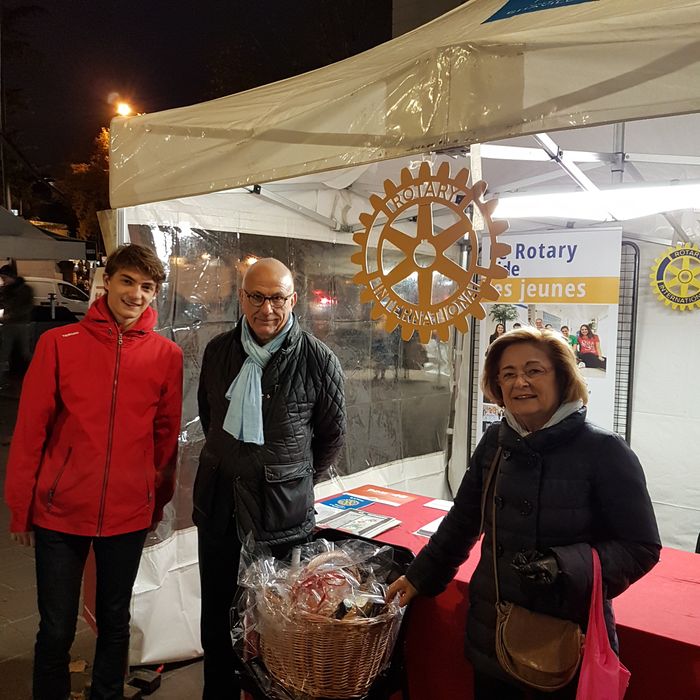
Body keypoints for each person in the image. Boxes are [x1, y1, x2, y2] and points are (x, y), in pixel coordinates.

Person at [388, 327, 660, 699]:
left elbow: (641, 547)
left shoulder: (604, 451)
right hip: (493, 634)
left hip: (563, 641)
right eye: (508, 374)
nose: (521, 382)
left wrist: (565, 565)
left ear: (562, 377)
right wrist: (419, 577)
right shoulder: (495, 442)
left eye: (534, 371)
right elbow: (464, 520)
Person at [4, 244, 183, 700]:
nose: (136, 294)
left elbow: (165, 438)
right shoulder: (58, 344)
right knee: (57, 628)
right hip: (59, 513)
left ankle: (107, 693)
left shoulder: (166, 355)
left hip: (127, 513)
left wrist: (155, 502)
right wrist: (21, 507)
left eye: (147, 287)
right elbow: (30, 432)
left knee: (115, 620)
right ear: (107, 281)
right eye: (128, 281)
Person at [194, 257, 347, 699]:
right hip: (220, 506)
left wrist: (290, 479)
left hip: (282, 517)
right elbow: (211, 421)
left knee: (279, 626)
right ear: (241, 298)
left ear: (292, 300)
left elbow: (331, 439)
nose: (267, 308)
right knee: (218, 620)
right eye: (256, 297)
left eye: (277, 298)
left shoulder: (319, 360)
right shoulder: (219, 351)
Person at [0, 264, 34, 379]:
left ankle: (38, 372)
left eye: (4, 278)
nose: (3, 281)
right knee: (5, 352)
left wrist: (8, 316)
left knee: (24, 352)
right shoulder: (7, 289)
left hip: (21, 324)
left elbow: (25, 308)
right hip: (10, 325)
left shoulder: (24, 290)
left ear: (11, 276)